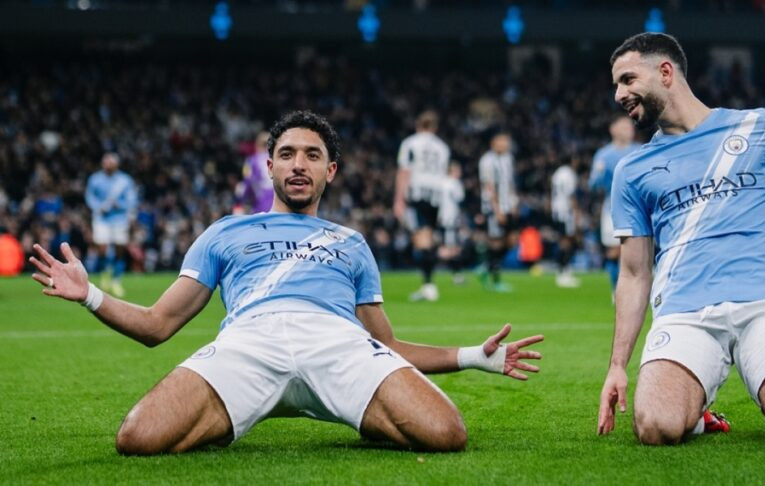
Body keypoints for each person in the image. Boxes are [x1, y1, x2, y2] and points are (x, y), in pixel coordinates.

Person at [30, 111, 544, 455]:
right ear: (270, 165)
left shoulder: (352, 242)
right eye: (289, 154)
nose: (299, 164)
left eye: (313, 155)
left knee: (447, 432)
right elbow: (156, 325)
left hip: (337, 344)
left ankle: (341, 403)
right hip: (250, 341)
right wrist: (90, 295)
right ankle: (249, 403)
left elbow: (386, 344)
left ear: (331, 171)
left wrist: (473, 356)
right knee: (138, 437)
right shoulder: (224, 232)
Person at [597, 32, 765, 445]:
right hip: (685, 312)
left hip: (762, 302)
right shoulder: (633, 170)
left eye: (628, 80)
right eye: (616, 85)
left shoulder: (757, 129)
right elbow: (634, 273)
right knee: (655, 426)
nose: (619, 94)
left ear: (665, 72)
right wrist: (617, 365)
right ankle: (699, 414)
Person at [393, 110, 451, 302]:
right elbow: (444, 174)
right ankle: (429, 284)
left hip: (418, 194)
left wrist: (399, 200)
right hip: (437, 196)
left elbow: (404, 171)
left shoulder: (410, 143)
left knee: (422, 240)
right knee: (428, 238)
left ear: (418, 125)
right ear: (435, 127)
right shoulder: (442, 147)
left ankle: (428, 286)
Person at [588, 115, 640, 301]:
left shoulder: (640, 150)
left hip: (637, 208)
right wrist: (600, 174)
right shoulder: (604, 155)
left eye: (630, 126)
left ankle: (637, 290)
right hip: (612, 208)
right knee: (613, 250)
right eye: (624, 126)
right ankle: (615, 291)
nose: (629, 129)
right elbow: (593, 185)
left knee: (636, 251)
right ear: (613, 130)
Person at [85, 152, 138, 297]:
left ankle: (116, 280)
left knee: (120, 250)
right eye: (105, 163)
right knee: (102, 248)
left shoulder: (125, 180)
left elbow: (132, 200)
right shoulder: (95, 179)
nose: (107, 165)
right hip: (102, 219)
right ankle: (105, 276)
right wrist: (98, 207)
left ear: (116, 164)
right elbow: (89, 196)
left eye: (110, 163)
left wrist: (119, 205)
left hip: (120, 219)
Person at [478, 133, 517, 292]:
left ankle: (486, 267)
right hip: (493, 208)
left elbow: (510, 183)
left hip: (508, 205)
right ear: (494, 143)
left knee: (512, 240)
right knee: (496, 242)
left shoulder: (508, 159)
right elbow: (489, 186)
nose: (506, 145)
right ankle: (495, 281)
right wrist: (497, 209)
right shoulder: (487, 161)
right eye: (503, 142)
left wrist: (514, 203)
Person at [550, 157, 580, 288]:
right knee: (566, 242)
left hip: (556, 210)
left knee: (563, 241)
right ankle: (563, 272)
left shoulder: (557, 173)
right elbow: (571, 195)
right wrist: (576, 212)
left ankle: (563, 271)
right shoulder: (569, 174)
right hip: (565, 211)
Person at [437, 161, 466, 285]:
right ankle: (456, 275)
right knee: (453, 249)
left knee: (448, 246)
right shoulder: (455, 183)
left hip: (442, 218)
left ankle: (454, 273)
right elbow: (460, 197)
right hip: (451, 219)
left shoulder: (440, 182)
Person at [233, 131, 274, 215]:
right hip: (279, 206)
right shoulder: (278, 160)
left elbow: (247, 182)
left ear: (257, 145)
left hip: (261, 205)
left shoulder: (252, 160)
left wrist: (238, 202)